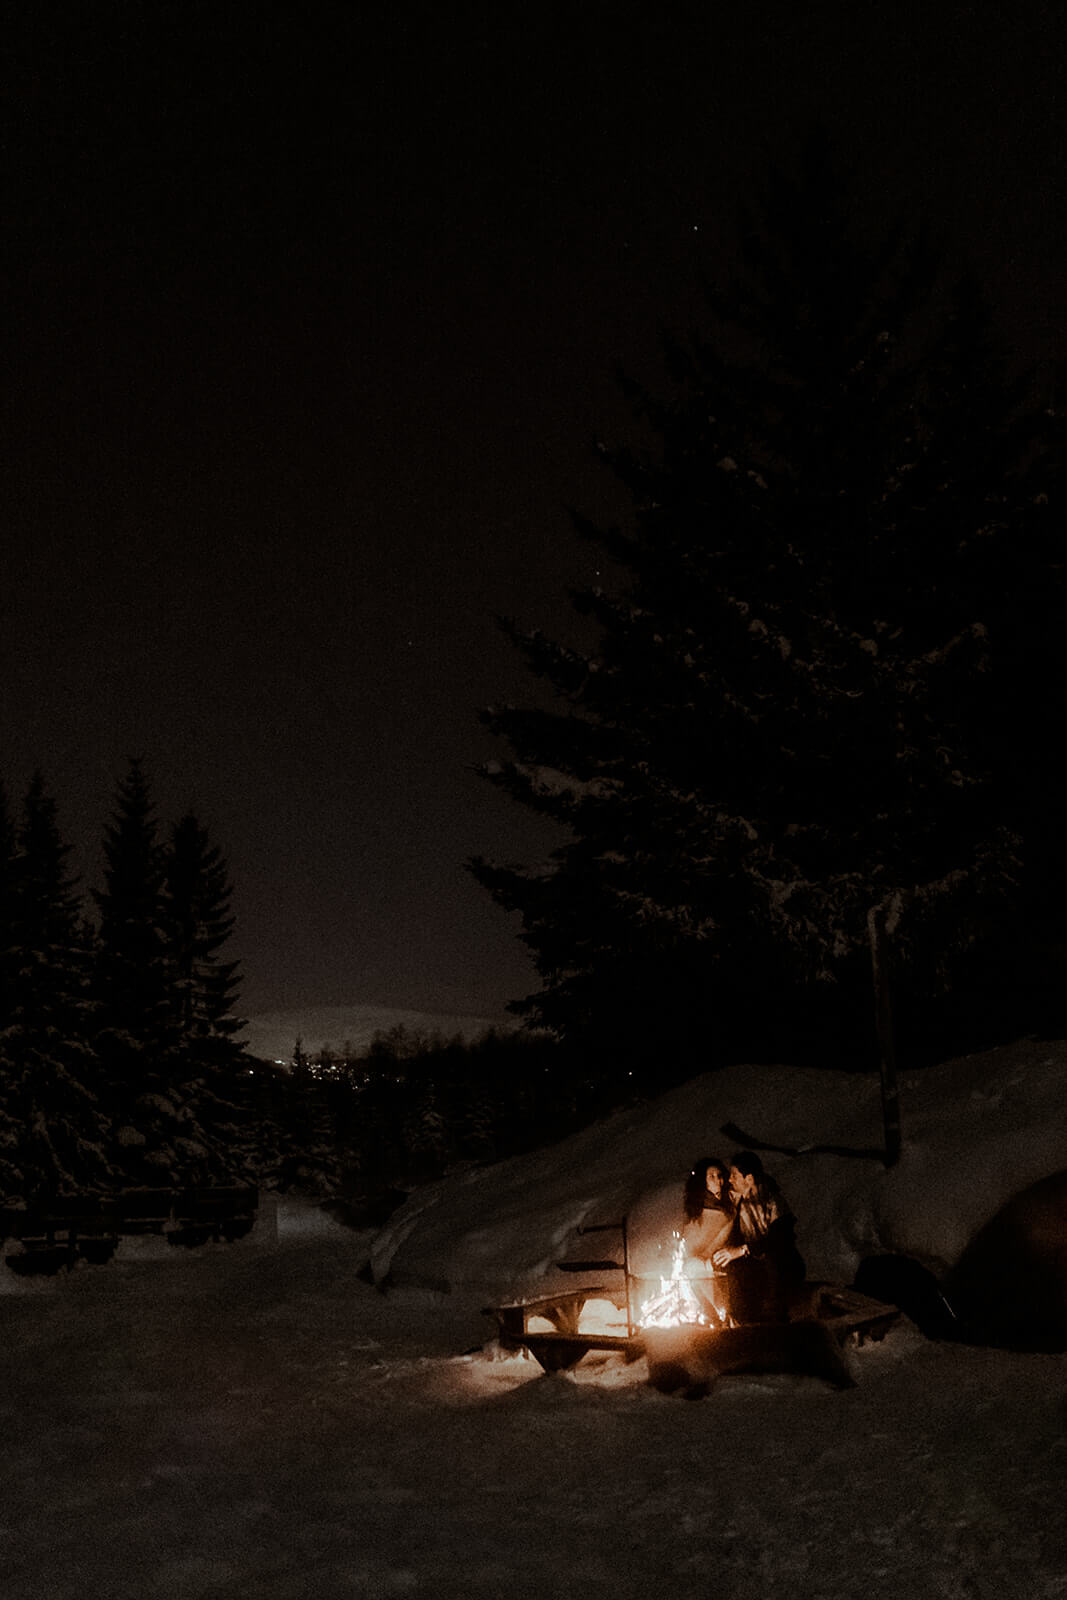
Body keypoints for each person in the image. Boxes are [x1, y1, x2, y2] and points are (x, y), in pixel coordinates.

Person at [712, 1151, 806, 1323]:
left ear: (749, 1179)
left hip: (782, 1267)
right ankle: (740, 1324)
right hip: (756, 1267)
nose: (730, 1180)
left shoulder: (773, 1202)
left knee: (772, 1265)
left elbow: (779, 1241)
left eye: (734, 1176)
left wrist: (742, 1250)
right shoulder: (740, 1202)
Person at [679, 1156, 734, 1322]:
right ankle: (716, 1315)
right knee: (695, 1268)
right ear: (703, 1180)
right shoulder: (697, 1208)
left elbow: (726, 1237)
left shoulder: (729, 1204)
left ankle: (722, 1315)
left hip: (725, 1257)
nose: (717, 1180)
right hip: (701, 1261)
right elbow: (692, 1240)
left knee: (699, 1269)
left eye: (719, 1175)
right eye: (711, 1176)